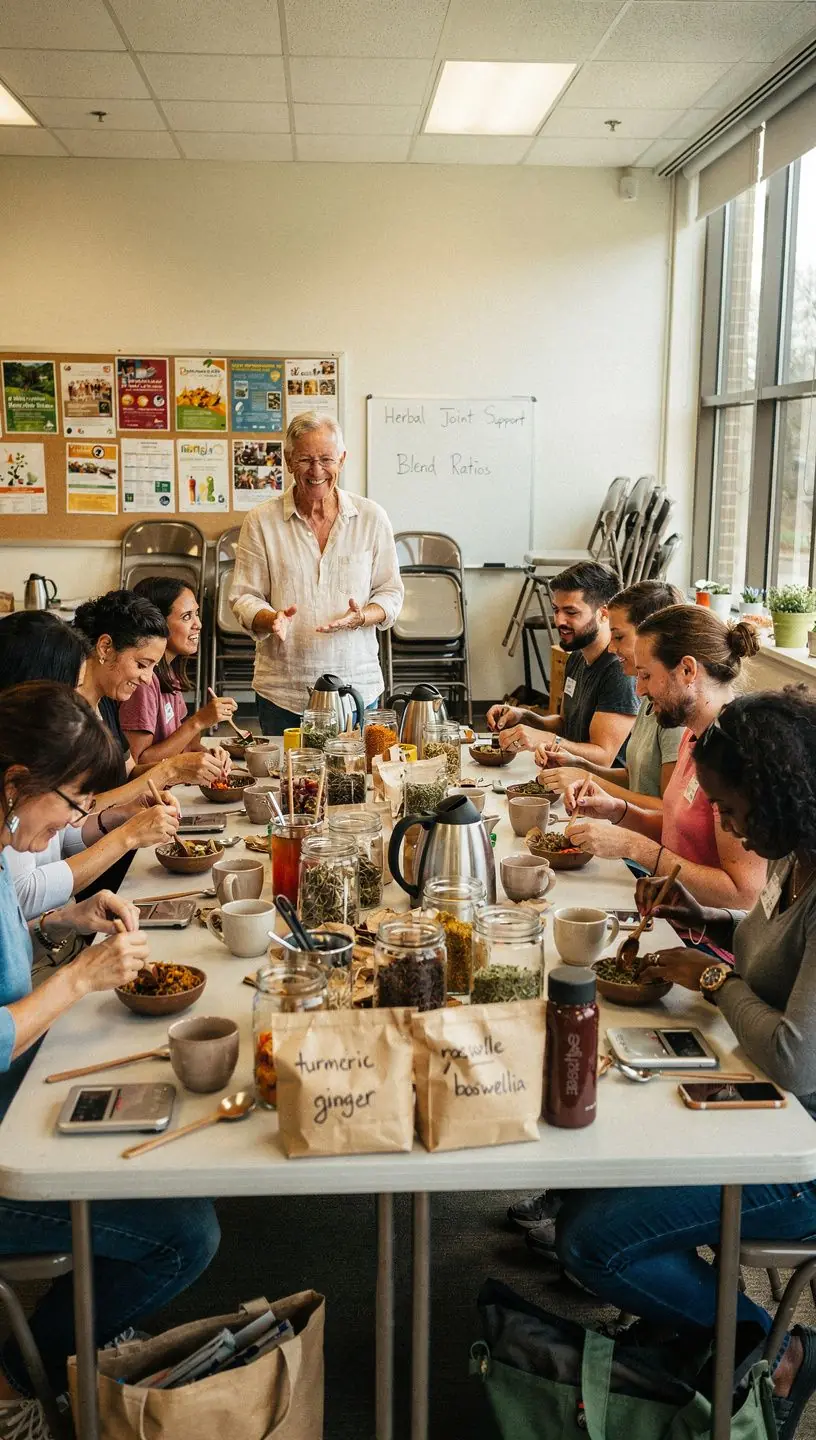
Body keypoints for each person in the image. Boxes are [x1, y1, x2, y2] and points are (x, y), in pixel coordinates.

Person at [554, 688, 816, 1440]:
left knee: (591, 1242)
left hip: (799, 1152)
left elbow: (796, 1058)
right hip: (761, 1103)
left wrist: (714, 979)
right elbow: (768, 957)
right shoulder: (795, 860)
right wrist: (706, 922)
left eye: (732, 809)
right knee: (589, 1182)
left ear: (780, 796)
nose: (726, 826)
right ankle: (695, 1327)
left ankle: (774, 1345)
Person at [0, 683, 219, 1438]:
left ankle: (73, 1336)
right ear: (15, 782)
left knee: (161, 1123)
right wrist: (74, 981)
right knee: (186, 1233)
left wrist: (68, 918)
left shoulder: (3, 847)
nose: (71, 821)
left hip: (17, 1095)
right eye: (70, 801)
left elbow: (16, 922)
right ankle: (26, 1374)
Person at [565, 604, 766, 914]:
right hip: (669, 912)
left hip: (702, 934)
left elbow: (742, 896)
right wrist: (618, 810)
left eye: (646, 675)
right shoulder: (694, 732)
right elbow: (680, 829)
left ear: (687, 670)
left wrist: (634, 847)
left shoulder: (739, 757)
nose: (639, 689)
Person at [229, 411, 404, 735]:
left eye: (326, 459)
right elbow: (244, 597)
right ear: (288, 460)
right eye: (306, 460)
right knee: (285, 769)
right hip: (283, 689)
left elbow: (391, 593)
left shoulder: (371, 518)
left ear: (342, 459)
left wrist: (362, 617)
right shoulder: (261, 521)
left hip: (357, 686)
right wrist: (271, 618)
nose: (317, 470)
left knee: (355, 768)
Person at [0, 612, 180, 919]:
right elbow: (24, 892)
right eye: (73, 688)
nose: (77, 700)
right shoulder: (19, 773)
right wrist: (128, 836)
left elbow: (61, 833)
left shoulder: (37, 766)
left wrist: (123, 814)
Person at [538, 579, 685, 811]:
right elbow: (634, 778)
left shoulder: (675, 714)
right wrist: (580, 765)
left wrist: (588, 779)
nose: (611, 648)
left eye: (618, 637)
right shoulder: (648, 697)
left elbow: (666, 811)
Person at [487, 562, 639, 767]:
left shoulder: (619, 670)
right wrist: (524, 717)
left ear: (603, 614)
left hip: (597, 785)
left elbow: (603, 757)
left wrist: (546, 739)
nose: (559, 621)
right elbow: (565, 724)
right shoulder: (577, 656)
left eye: (571, 612)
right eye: (556, 610)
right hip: (567, 775)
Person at [74, 591, 226, 787]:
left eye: (153, 667)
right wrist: (171, 770)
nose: (147, 679)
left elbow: (129, 773)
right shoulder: (69, 714)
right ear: (105, 647)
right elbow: (84, 804)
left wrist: (187, 768)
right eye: (141, 665)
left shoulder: (105, 703)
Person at [120, 576, 236, 770]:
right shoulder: (144, 683)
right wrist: (198, 721)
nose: (198, 624)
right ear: (158, 623)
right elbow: (137, 764)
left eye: (196, 614)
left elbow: (183, 743)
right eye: (186, 617)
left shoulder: (169, 672)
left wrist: (210, 756)